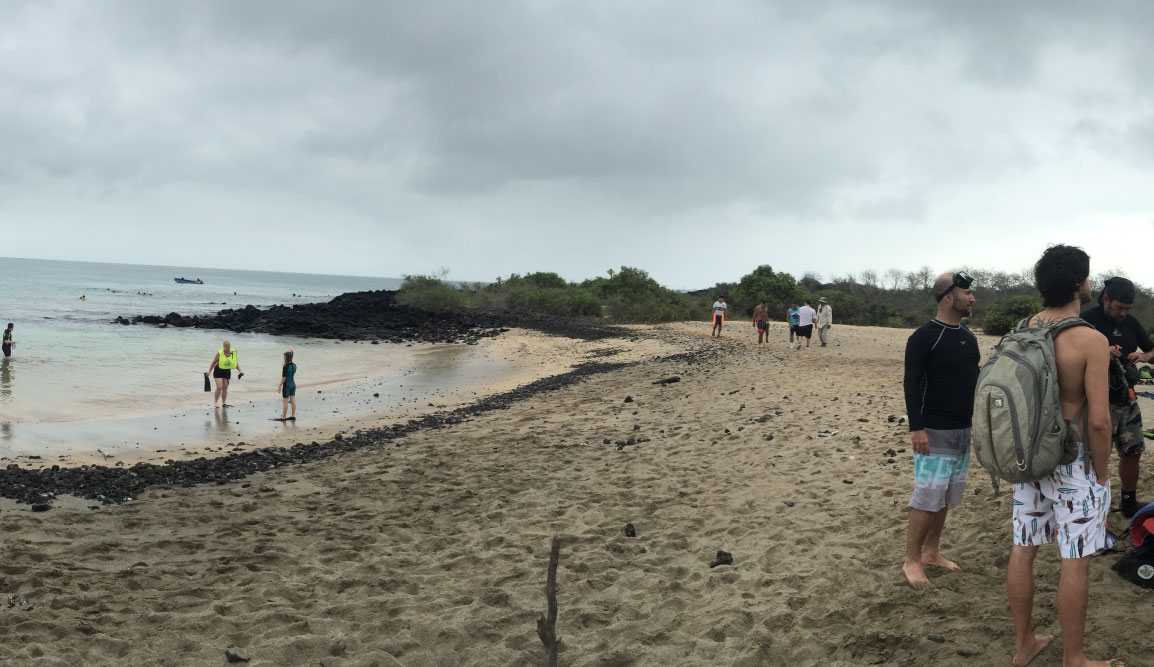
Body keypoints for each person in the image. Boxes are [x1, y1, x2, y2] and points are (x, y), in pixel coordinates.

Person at [1006, 245, 1118, 667]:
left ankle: (1024, 644)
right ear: (1077, 283)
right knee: (1075, 559)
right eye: (1088, 277)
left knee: (1024, 547)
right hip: (1074, 463)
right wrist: (1102, 476)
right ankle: (1075, 658)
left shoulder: (1023, 328)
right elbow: (1100, 423)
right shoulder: (1090, 339)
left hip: (1029, 457)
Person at [901, 271, 977, 590]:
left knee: (945, 495)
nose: (972, 297)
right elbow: (911, 383)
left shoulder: (968, 337)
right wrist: (916, 428)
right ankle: (912, 560)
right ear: (949, 297)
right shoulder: (924, 336)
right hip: (933, 429)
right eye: (967, 292)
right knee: (927, 496)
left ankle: (932, 552)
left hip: (962, 429)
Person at [1080, 276, 1154, 518]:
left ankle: (1128, 502)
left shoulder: (1131, 323)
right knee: (1095, 456)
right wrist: (1102, 351)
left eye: (1127, 309)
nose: (1123, 313)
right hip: (1096, 401)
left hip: (1128, 398)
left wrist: (1144, 356)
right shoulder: (1086, 321)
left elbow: (1152, 350)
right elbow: (1069, 356)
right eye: (1119, 307)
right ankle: (1091, 505)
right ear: (1105, 299)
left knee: (1133, 451)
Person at [205, 340, 244, 409]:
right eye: (226, 347)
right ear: (223, 347)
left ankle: (223, 403)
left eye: (229, 347)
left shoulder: (232, 353)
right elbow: (213, 363)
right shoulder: (220, 353)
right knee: (219, 387)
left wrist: (240, 371)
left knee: (225, 388)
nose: (228, 348)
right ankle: (216, 402)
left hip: (227, 371)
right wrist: (209, 372)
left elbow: (235, 363)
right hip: (218, 371)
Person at [278, 349, 297, 421]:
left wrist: (279, 386)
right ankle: (293, 415)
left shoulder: (285, 367)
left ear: (286, 357)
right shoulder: (295, 365)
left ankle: (284, 417)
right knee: (293, 400)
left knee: (285, 402)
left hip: (287, 386)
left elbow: (284, 378)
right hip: (293, 384)